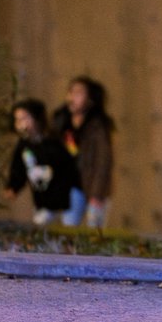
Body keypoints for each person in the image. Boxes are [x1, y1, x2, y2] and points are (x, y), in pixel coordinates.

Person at [4, 98, 80, 226]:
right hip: (43, 200)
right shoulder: (24, 145)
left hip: (67, 197)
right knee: (41, 227)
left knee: (68, 229)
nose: (21, 123)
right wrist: (13, 186)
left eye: (25, 118)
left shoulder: (54, 140)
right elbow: (18, 168)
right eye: (17, 120)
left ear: (37, 118)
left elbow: (70, 161)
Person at [51, 76, 113, 228]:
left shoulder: (98, 126)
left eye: (79, 93)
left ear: (90, 99)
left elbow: (103, 161)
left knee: (95, 230)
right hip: (69, 186)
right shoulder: (61, 122)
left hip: (91, 186)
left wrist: (97, 194)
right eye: (71, 92)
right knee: (69, 227)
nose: (72, 97)